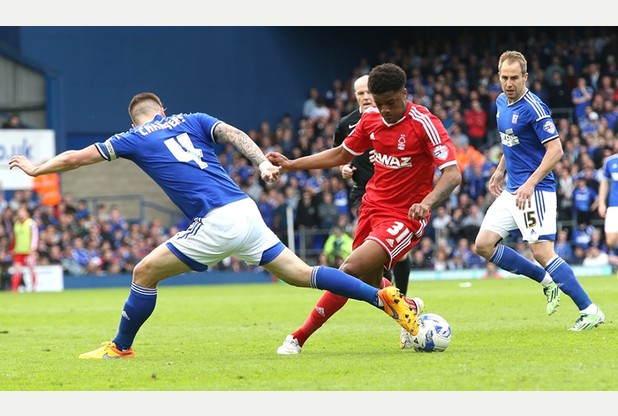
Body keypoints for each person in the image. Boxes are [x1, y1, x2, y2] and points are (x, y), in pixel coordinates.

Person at [8, 92, 418, 359]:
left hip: (217, 220)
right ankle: (382, 298)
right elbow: (235, 134)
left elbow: (77, 158)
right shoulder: (194, 117)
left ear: (136, 121)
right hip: (245, 208)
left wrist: (36, 168)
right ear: (163, 109)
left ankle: (121, 347)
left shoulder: (132, 138)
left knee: (143, 272)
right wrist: (260, 163)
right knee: (303, 274)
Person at [268, 63, 462, 354]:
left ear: (405, 94)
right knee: (369, 283)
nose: (384, 110)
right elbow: (341, 154)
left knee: (348, 271)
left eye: (391, 103)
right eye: (379, 103)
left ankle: (298, 337)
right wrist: (292, 164)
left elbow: (452, 173)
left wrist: (427, 202)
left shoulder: (424, 123)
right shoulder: (370, 118)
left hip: (405, 216)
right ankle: (408, 308)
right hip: (371, 209)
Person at [473, 50, 605, 332]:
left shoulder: (534, 107)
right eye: (504, 77)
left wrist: (530, 183)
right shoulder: (500, 102)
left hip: (535, 191)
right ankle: (547, 283)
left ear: (526, 77)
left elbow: (556, 150)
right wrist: (499, 170)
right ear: (499, 76)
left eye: (514, 78)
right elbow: (511, 142)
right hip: (512, 191)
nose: (509, 83)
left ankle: (590, 310)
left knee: (543, 252)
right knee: (483, 244)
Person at [334, 74, 412, 296]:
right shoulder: (345, 124)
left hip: (395, 194)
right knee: (373, 253)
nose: (366, 97)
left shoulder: (391, 118)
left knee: (399, 253)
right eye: (361, 93)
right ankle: (390, 299)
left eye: (369, 92)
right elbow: (339, 155)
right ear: (355, 96)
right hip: (364, 193)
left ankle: (402, 296)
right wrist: (344, 169)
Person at [10, 206, 39, 292]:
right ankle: (14, 289)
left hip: (29, 251)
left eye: (22, 212)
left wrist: (33, 249)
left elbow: (35, 236)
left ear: (27, 213)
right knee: (17, 270)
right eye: (19, 212)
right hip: (19, 251)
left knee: (32, 269)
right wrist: (12, 248)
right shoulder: (17, 224)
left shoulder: (31, 223)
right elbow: (15, 237)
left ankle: (33, 288)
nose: (20, 214)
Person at [598, 152, 618, 258]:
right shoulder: (610, 161)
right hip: (614, 206)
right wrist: (601, 203)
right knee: (610, 241)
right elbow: (604, 183)